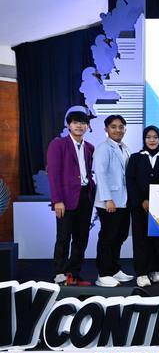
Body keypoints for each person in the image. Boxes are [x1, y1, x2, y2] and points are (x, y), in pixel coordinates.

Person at [47, 110, 95, 286]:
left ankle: (73, 273)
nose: (79, 126)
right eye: (75, 122)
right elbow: (53, 174)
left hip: (85, 196)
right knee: (63, 237)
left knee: (81, 238)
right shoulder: (58, 144)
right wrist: (57, 200)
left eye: (83, 123)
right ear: (68, 125)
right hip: (65, 199)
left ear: (87, 126)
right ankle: (59, 272)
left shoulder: (90, 147)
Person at [93, 115, 134, 287]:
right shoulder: (103, 148)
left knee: (120, 236)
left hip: (124, 201)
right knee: (108, 237)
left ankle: (114, 269)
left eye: (121, 127)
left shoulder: (125, 148)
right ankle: (103, 274)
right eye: (113, 126)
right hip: (109, 202)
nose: (118, 130)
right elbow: (100, 174)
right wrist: (107, 199)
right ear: (106, 129)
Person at [125, 125, 159, 288]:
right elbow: (130, 181)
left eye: (155, 137)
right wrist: (141, 200)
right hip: (139, 207)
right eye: (148, 137)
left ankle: (157, 270)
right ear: (144, 139)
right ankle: (142, 273)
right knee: (140, 239)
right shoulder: (135, 157)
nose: (152, 140)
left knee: (158, 239)